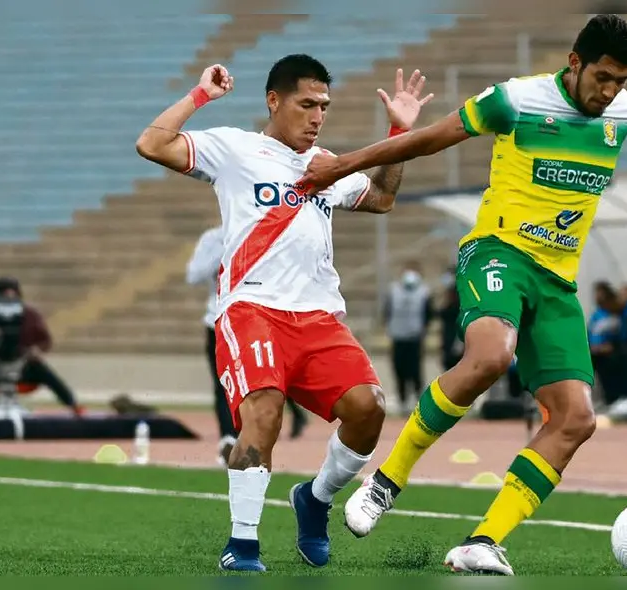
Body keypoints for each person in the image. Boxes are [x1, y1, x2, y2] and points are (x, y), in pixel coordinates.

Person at [297, 14, 627, 575]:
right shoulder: (516, 101)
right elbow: (433, 138)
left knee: (577, 418)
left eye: (621, 82)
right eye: (603, 77)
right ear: (575, 62)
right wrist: (345, 164)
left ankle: (483, 542)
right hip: (498, 252)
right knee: (490, 356)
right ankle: (386, 481)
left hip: (557, 281)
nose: (610, 93)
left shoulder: (622, 115)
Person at [136, 55, 433, 572]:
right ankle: (244, 546)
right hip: (253, 309)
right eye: (307, 104)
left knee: (369, 409)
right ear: (274, 100)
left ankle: (314, 499)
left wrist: (397, 133)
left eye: (325, 106)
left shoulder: (328, 165)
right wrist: (200, 95)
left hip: (318, 318)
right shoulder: (234, 148)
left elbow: (383, 197)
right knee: (264, 411)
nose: (318, 116)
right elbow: (152, 143)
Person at [186, 225, 310, 465]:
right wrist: (224, 252)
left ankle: (278, 424)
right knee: (223, 382)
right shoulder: (213, 239)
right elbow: (193, 275)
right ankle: (228, 440)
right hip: (219, 319)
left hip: (256, 320)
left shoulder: (261, 230)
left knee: (265, 379)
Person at [0, 277, 84, 416]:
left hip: (24, 364)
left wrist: (37, 349)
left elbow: (45, 340)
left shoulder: (31, 316)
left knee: (46, 373)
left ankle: (72, 405)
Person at [383, 261, 435, 415]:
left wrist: (422, 330)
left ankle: (418, 400)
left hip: (415, 337)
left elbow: (428, 314)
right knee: (399, 369)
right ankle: (403, 400)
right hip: (398, 337)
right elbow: (387, 311)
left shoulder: (424, 292)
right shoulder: (393, 291)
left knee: (415, 370)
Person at [437, 265, 463, 372]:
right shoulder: (448, 299)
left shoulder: (459, 302)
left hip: (457, 344)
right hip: (448, 344)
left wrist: (460, 344)